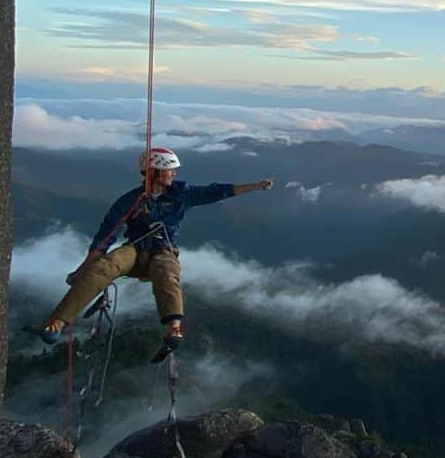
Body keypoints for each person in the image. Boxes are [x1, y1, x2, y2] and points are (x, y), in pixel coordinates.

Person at [41, 147, 273, 361]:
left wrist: (255, 186)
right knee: (105, 265)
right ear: (156, 172)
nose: (173, 174)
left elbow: (217, 192)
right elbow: (105, 236)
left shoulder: (182, 194)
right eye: (169, 170)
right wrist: (83, 269)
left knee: (166, 272)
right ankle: (59, 320)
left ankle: (174, 326)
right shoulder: (131, 200)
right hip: (136, 248)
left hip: (163, 249)